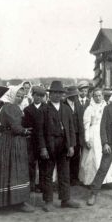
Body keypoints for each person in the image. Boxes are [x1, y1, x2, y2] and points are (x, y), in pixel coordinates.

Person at [0, 86, 34, 212]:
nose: (20, 99)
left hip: (5, 141)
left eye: (22, 97)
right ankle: (18, 202)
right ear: (12, 95)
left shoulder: (5, 107)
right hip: (13, 142)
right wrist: (25, 131)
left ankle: (6, 201)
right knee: (17, 169)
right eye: (18, 96)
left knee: (8, 171)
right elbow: (17, 128)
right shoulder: (12, 108)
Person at [38, 81, 80, 211]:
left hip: (64, 145)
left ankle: (65, 199)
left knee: (64, 173)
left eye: (60, 93)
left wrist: (72, 145)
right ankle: (48, 201)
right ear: (50, 94)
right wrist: (43, 148)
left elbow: (71, 128)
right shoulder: (43, 109)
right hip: (49, 146)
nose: (57, 95)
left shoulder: (66, 109)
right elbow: (39, 132)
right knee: (47, 173)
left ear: (63, 94)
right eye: (54, 92)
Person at [79, 89, 112, 186]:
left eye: (100, 96)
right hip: (94, 133)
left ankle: (106, 180)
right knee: (94, 156)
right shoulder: (89, 109)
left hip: (105, 133)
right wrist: (86, 139)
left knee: (106, 155)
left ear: (102, 96)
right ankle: (92, 180)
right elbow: (86, 126)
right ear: (92, 97)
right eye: (96, 96)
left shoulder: (107, 107)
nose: (98, 98)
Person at [22, 86, 47, 192]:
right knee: (31, 163)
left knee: (43, 163)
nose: (39, 98)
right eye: (37, 95)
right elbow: (25, 125)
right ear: (32, 95)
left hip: (43, 141)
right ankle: (31, 184)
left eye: (41, 96)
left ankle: (41, 185)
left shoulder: (47, 108)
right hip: (31, 141)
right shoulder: (27, 109)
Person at [63, 86, 85, 186]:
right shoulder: (63, 104)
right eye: (74, 96)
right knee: (67, 156)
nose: (76, 97)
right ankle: (66, 178)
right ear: (69, 96)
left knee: (76, 156)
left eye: (76, 96)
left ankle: (74, 178)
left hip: (77, 134)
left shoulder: (78, 105)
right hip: (66, 135)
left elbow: (81, 121)